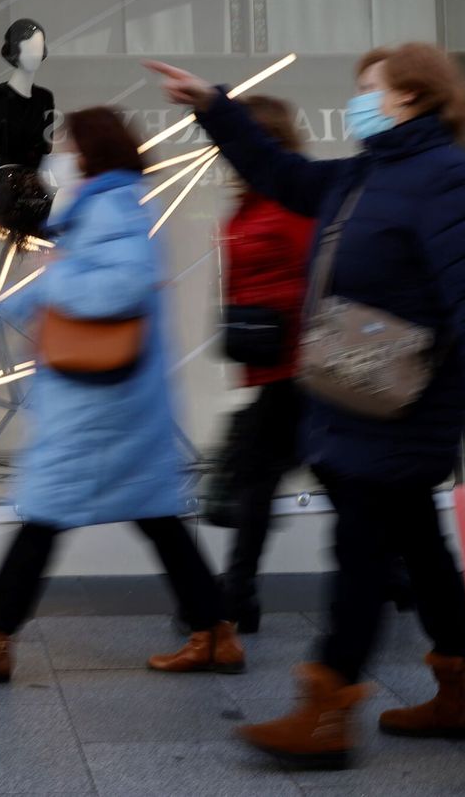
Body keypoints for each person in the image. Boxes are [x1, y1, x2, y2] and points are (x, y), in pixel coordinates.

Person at [146, 44, 465, 768]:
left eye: (368, 88)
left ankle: (327, 709)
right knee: (417, 545)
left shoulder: (449, 180)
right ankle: (464, 693)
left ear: (410, 98)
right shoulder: (369, 172)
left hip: (403, 399)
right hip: (356, 388)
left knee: (360, 545)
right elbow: (282, 175)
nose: (357, 99)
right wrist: (215, 109)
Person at [0, 106, 245, 682]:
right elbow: (78, 282)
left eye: (67, 146)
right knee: (154, 517)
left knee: (46, 516)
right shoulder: (102, 206)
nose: (59, 157)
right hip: (111, 398)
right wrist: (5, 306)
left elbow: (117, 284)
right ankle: (215, 632)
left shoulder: (111, 206)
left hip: (101, 403)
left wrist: (48, 280)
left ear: (90, 153)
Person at [205, 95, 314, 632]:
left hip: (299, 365)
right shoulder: (252, 201)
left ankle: (238, 595)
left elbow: (314, 275)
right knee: (275, 477)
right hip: (272, 363)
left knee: (256, 479)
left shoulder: (291, 201)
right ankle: (396, 572)